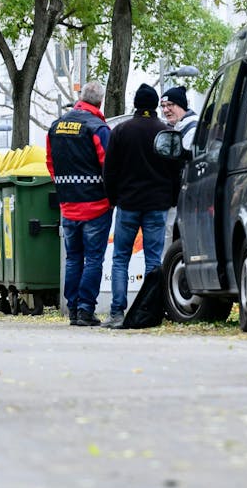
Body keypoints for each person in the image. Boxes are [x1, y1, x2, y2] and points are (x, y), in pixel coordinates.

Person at [102, 84, 183, 329]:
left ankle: (117, 312)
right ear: (155, 104)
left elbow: (110, 171)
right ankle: (151, 312)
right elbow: (175, 170)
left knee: (120, 259)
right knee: (153, 259)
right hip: (157, 204)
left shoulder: (121, 131)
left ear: (136, 104)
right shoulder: (165, 132)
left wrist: (114, 198)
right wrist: (172, 199)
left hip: (127, 203)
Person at [46, 80, 114, 326]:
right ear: (100, 102)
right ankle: (86, 309)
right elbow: (109, 167)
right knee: (94, 258)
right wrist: (112, 197)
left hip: (68, 206)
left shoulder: (56, 127)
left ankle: (73, 309)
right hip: (96, 205)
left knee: (73, 258)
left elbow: (50, 163)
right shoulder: (98, 128)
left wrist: (65, 188)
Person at [159, 86, 199, 156]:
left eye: (169, 105)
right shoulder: (178, 126)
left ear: (181, 105)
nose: (165, 110)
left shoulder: (192, 131)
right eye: (163, 106)